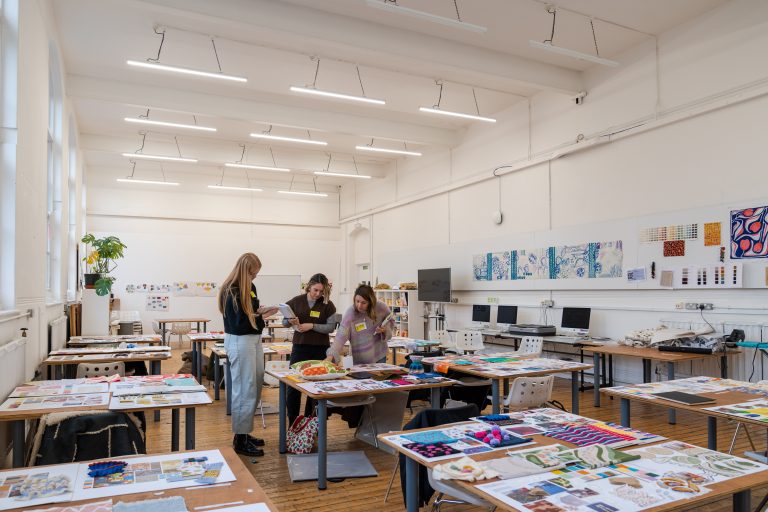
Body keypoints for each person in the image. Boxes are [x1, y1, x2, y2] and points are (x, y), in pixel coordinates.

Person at [218, 252, 277, 456]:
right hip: (240, 341)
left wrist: (261, 312)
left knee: (256, 384)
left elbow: (249, 312)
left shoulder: (249, 287)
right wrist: (263, 318)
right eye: (253, 273)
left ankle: (244, 432)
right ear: (245, 271)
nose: (255, 277)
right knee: (244, 389)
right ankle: (240, 438)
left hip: (253, 339)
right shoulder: (231, 290)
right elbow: (239, 323)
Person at [283, 273, 337, 425]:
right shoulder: (296, 301)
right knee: (293, 387)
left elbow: (331, 327)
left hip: (320, 350)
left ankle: (309, 423)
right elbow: (284, 321)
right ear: (309, 286)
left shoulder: (328, 305)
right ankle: (293, 423)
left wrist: (311, 326)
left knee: (316, 388)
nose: (318, 294)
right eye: (315, 290)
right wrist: (289, 320)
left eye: (321, 291)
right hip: (299, 348)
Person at [327, 284, 394, 365]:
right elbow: (341, 335)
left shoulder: (381, 307)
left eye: (363, 303)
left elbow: (391, 322)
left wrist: (385, 329)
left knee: (379, 377)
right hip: (360, 360)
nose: (359, 305)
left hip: (379, 356)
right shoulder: (351, 313)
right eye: (357, 301)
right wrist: (331, 355)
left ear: (371, 301)